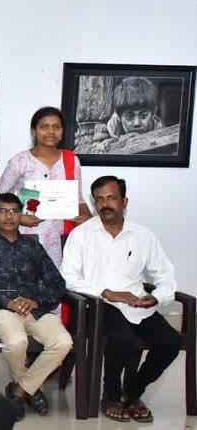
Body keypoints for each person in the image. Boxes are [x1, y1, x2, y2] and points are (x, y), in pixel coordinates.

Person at [62, 176, 179, 423]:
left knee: (170, 341)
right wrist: (106, 292)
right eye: (99, 199)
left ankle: (133, 392)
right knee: (121, 337)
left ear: (124, 201)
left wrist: (155, 298)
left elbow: (165, 275)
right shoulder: (81, 235)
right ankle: (111, 395)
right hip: (97, 304)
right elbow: (68, 278)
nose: (105, 204)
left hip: (137, 304)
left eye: (111, 198)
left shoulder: (143, 235)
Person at [0, 193, 72, 421]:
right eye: (3, 211)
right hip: (0, 309)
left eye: (14, 211)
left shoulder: (32, 246)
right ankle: (30, 389)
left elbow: (57, 283)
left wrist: (36, 300)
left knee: (63, 342)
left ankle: (20, 391)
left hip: (35, 308)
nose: (9, 216)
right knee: (16, 342)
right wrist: (6, 301)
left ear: (20, 215)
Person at [0, 106, 92, 267]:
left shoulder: (71, 160)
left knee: (58, 279)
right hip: (26, 237)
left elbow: (78, 198)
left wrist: (87, 218)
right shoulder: (20, 161)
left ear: (62, 132)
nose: (51, 131)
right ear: (34, 131)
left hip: (62, 240)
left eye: (56, 127)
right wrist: (19, 218)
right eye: (44, 127)